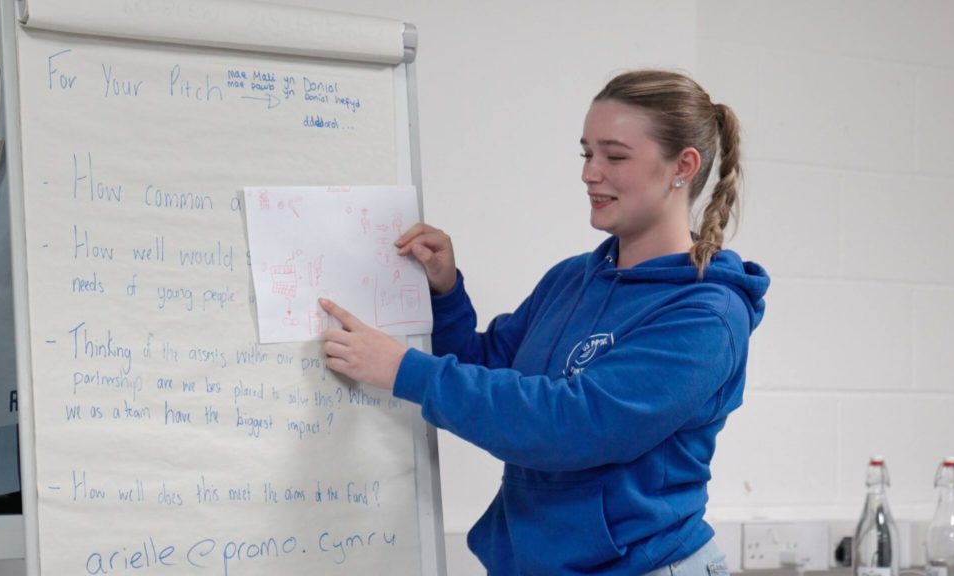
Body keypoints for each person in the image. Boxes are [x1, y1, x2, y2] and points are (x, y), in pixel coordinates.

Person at [318, 68, 770, 576]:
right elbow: (487, 368)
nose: (589, 173)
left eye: (614, 156)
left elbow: (570, 426)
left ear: (682, 166)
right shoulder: (573, 279)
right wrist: (445, 292)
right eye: (586, 153)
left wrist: (405, 370)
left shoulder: (707, 316)